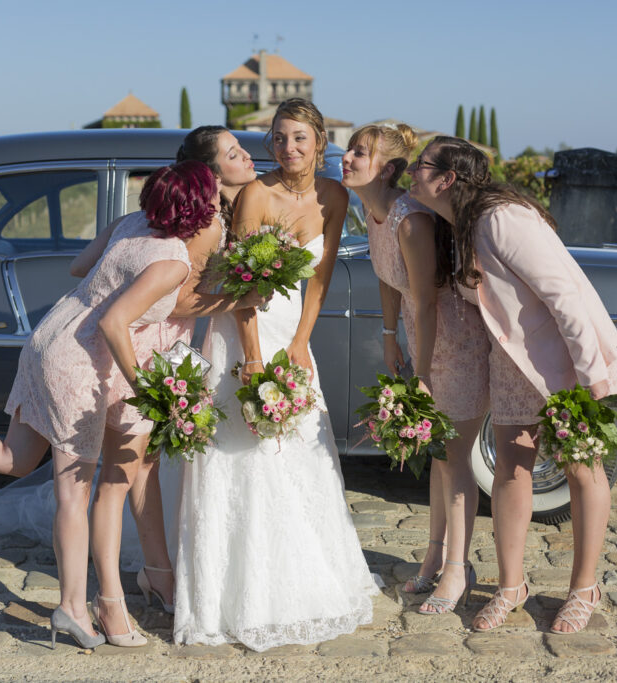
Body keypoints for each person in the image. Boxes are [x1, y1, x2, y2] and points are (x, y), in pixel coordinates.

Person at [0, 126, 261, 607]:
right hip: (111, 353)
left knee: (19, 459)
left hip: (58, 335)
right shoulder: (194, 234)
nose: (246, 158)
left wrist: (119, 277)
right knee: (101, 481)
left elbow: (80, 268)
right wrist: (225, 302)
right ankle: (93, 604)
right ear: (205, 181)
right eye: (234, 153)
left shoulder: (132, 221)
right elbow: (169, 301)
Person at [173, 99, 379, 651]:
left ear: (319, 143)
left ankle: (304, 575)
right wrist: (255, 359)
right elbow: (240, 286)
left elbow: (321, 277)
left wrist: (300, 343)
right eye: (280, 139)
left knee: (296, 457)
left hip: (291, 335)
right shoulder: (254, 196)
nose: (289, 149)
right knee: (242, 454)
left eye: (300, 139)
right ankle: (233, 592)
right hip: (247, 333)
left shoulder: (334, 197)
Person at [406, 136, 617, 633]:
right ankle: (511, 586)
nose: (412, 172)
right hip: (512, 363)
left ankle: (583, 588)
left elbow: (564, 296)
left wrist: (591, 377)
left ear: (448, 179)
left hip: (564, 362)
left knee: (581, 470)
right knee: (510, 470)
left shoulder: (501, 218)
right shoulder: (457, 225)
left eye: (420, 166)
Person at [341, 123, 489, 614]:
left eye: (358, 152)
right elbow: (386, 278)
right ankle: (433, 557)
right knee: (439, 457)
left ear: (386, 169)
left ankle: (457, 569)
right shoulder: (373, 211)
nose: (346, 157)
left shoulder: (412, 221)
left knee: (455, 458)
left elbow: (427, 302)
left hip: (455, 343)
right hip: (420, 337)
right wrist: (388, 338)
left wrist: (421, 374)